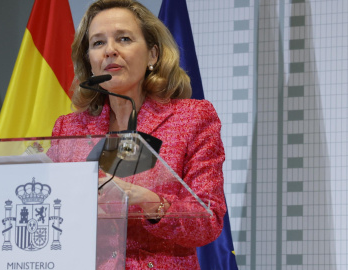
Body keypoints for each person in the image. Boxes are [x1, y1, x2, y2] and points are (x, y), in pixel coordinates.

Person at [51, 0, 226, 269]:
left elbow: (209, 221)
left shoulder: (192, 118)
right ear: (89, 61)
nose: (110, 50)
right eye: (98, 43)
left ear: (153, 55)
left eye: (124, 39)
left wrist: (148, 201)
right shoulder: (69, 129)